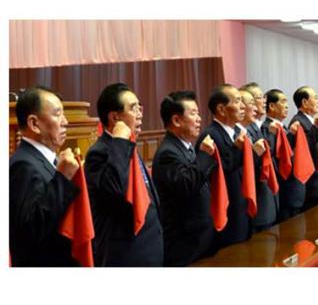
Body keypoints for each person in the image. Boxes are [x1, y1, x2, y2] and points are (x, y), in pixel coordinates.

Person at [85, 83, 163, 266]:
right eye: (133, 108)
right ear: (114, 117)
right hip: (127, 254)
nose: (139, 113)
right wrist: (119, 140)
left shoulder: (129, 146)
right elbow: (115, 188)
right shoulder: (99, 152)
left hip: (150, 247)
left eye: (139, 107)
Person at [10, 86, 80, 266]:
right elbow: (31, 228)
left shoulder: (44, 158)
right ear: (34, 124)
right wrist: (63, 178)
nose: (65, 122)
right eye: (57, 114)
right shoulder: (22, 165)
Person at [152, 91, 217, 266]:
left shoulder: (185, 147)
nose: (199, 119)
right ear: (176, 120)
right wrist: (203, 155)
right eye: (193, 113)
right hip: (185, 243)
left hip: (200, 238)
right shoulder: (168, 153)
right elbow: (187, 185)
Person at [195, 84, 261, 248]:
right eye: (238, 101)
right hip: (228, 213)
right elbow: (217, 171)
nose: (243, 106)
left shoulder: (235, 132)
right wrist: (237, 148)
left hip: (242, 207)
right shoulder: (210, 135)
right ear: (222, 109)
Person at [261, 89, 304, 221]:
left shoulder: (284, 128)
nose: (287, 106)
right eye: (283, 102)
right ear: (272, 106)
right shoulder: (266, 128)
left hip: (294, 191)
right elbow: (275, 157)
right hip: (285, 192)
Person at [239, 89, 277, 232]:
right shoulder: (244, 132)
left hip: (267, 197)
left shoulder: (256, 128)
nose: (257, 106)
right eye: (253, 102)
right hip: (255, 202)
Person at [290, 86, 318, 210]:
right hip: (312, 183)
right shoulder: (298, 122)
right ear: (304, 102)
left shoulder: (310, 120)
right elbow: (304, 150)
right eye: (315, 98)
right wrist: (317, 127)